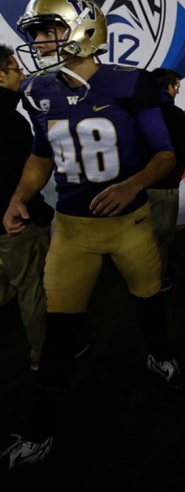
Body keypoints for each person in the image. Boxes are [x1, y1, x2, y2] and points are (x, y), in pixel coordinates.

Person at [0, 0, 184, 471]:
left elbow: (166, 153)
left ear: (83, 29)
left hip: (130, 221)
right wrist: (20, 196)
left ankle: (160, 354)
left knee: (148, 299)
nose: (38, 41)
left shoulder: (129, 83)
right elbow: (41, 156)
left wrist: (134, 183)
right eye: (35, 32)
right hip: (73, 229)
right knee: (60, 330)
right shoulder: (39, 90)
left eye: (48, 30)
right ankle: (40, 430)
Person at [0, 44, 53, 372]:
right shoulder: (11, 121)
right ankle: (44, 357)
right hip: (16, 225)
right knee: (33, 288)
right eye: (15, 68)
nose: (22, 74)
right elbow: (17, 177)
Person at [147, 68, 185, 291]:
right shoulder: (173, 114)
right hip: (164, 187)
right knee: (161, 239)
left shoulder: (137, 112)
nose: (178, 92)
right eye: (176, 87)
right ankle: (156, 282)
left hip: (135, 187)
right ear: (168, 87)